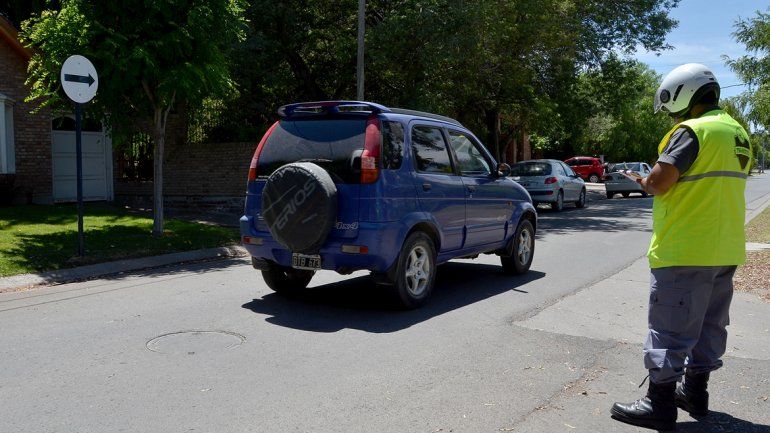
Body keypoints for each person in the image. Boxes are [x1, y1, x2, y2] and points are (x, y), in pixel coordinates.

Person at [610, 63, 752, 431]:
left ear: (684, 95)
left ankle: (659, 406)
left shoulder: (692, 131)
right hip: (725, 250)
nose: (673, 114)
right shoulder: (738, 133)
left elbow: (660, 183)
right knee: (709, 326)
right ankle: (695, 394)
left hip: (687, 248)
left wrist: (644, 180)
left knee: (670, 328)